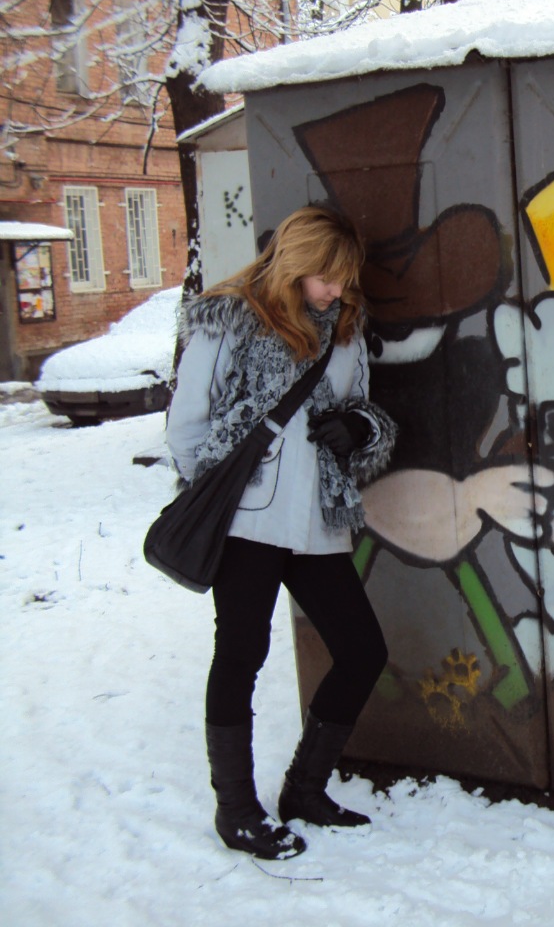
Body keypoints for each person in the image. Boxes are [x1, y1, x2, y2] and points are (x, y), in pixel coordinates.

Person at [167, 205, 397, 860]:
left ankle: (304, 791)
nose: (338, 290)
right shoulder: (230, 318)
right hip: (248, 519)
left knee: (362, 651)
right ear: (296, 263)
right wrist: (221, 495)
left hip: (316, 517)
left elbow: (361, 406)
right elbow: (187, 427)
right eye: (328, 276)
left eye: (345, 279)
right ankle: (236, 810)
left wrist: (360, 429)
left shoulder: (344, 329)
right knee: (241, 655)